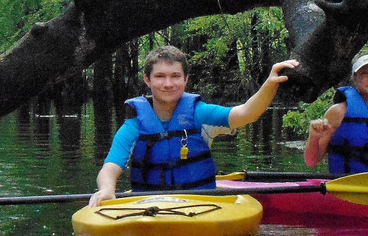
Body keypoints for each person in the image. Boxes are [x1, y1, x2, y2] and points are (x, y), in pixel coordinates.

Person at [89, 46, 300, 206]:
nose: (168, 84)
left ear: (186, 79)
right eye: (160, 76)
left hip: (200, 205)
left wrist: (270, 84)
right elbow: (110, 167)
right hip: (148, 207)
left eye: (175, 76)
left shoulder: (200, 114)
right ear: (147, 79)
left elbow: (245, 114)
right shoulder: (133, 126)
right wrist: (107, 188)